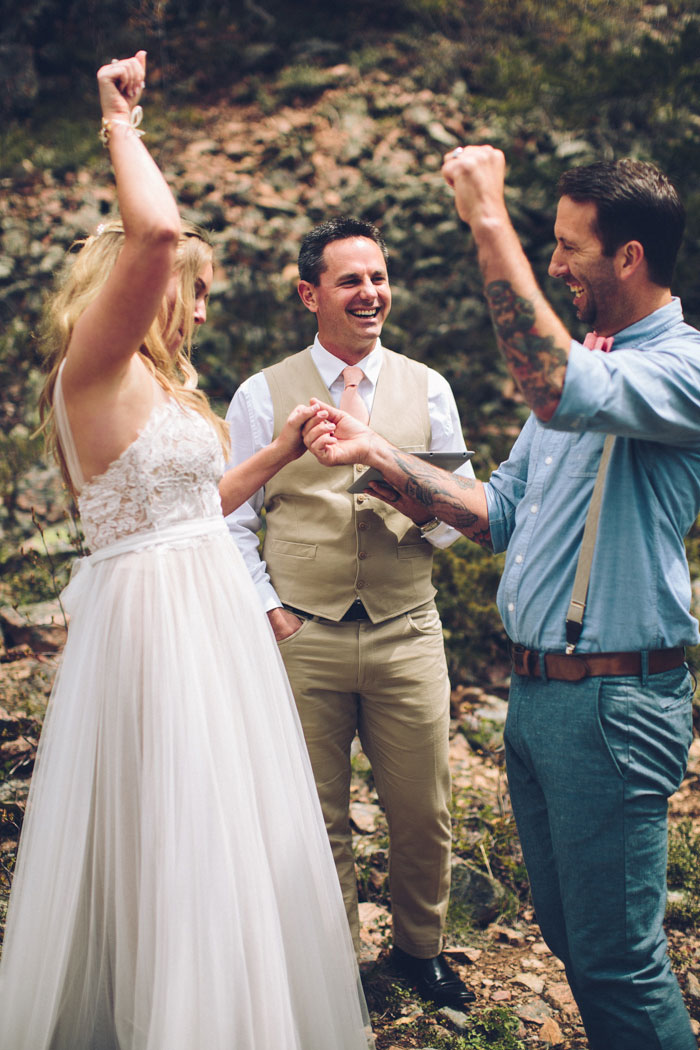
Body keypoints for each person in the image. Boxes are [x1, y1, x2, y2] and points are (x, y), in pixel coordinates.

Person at [0, 51, 373, 1050]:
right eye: (191, 291)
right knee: (178, 833)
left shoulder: (158, 391)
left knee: (227, 835)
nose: (200, 307)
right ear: (136, 285)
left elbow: (189, 509)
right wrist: (121, 123)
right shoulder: (94, 370)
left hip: (207, 621)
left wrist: (280, 452)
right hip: (154, 635)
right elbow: (160, 231)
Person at [302, 151, 700, 1050]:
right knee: (574, 937)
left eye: (567, 248)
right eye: (544, 247)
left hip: (612, 700)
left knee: (618, 960)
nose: (555, 266)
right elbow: (496, 514)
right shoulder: (590, 362)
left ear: (628, 258)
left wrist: (488, 216)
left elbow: (555, 386)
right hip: (541, 699)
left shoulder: (681, 367)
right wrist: (376, 456)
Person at [225, 216, 476, 1009]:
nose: (371, 294)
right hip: (304, 635)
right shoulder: (260, 394)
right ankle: (332, 965)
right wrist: (272, 613)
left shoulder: (428, 388)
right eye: (350, 280)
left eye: (378, 277)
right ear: (310, 294)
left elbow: (457, 517)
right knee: (314, 814)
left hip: (407, 629)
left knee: (423, 808)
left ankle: (417, 951)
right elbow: (229, 520)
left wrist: (387, 465)